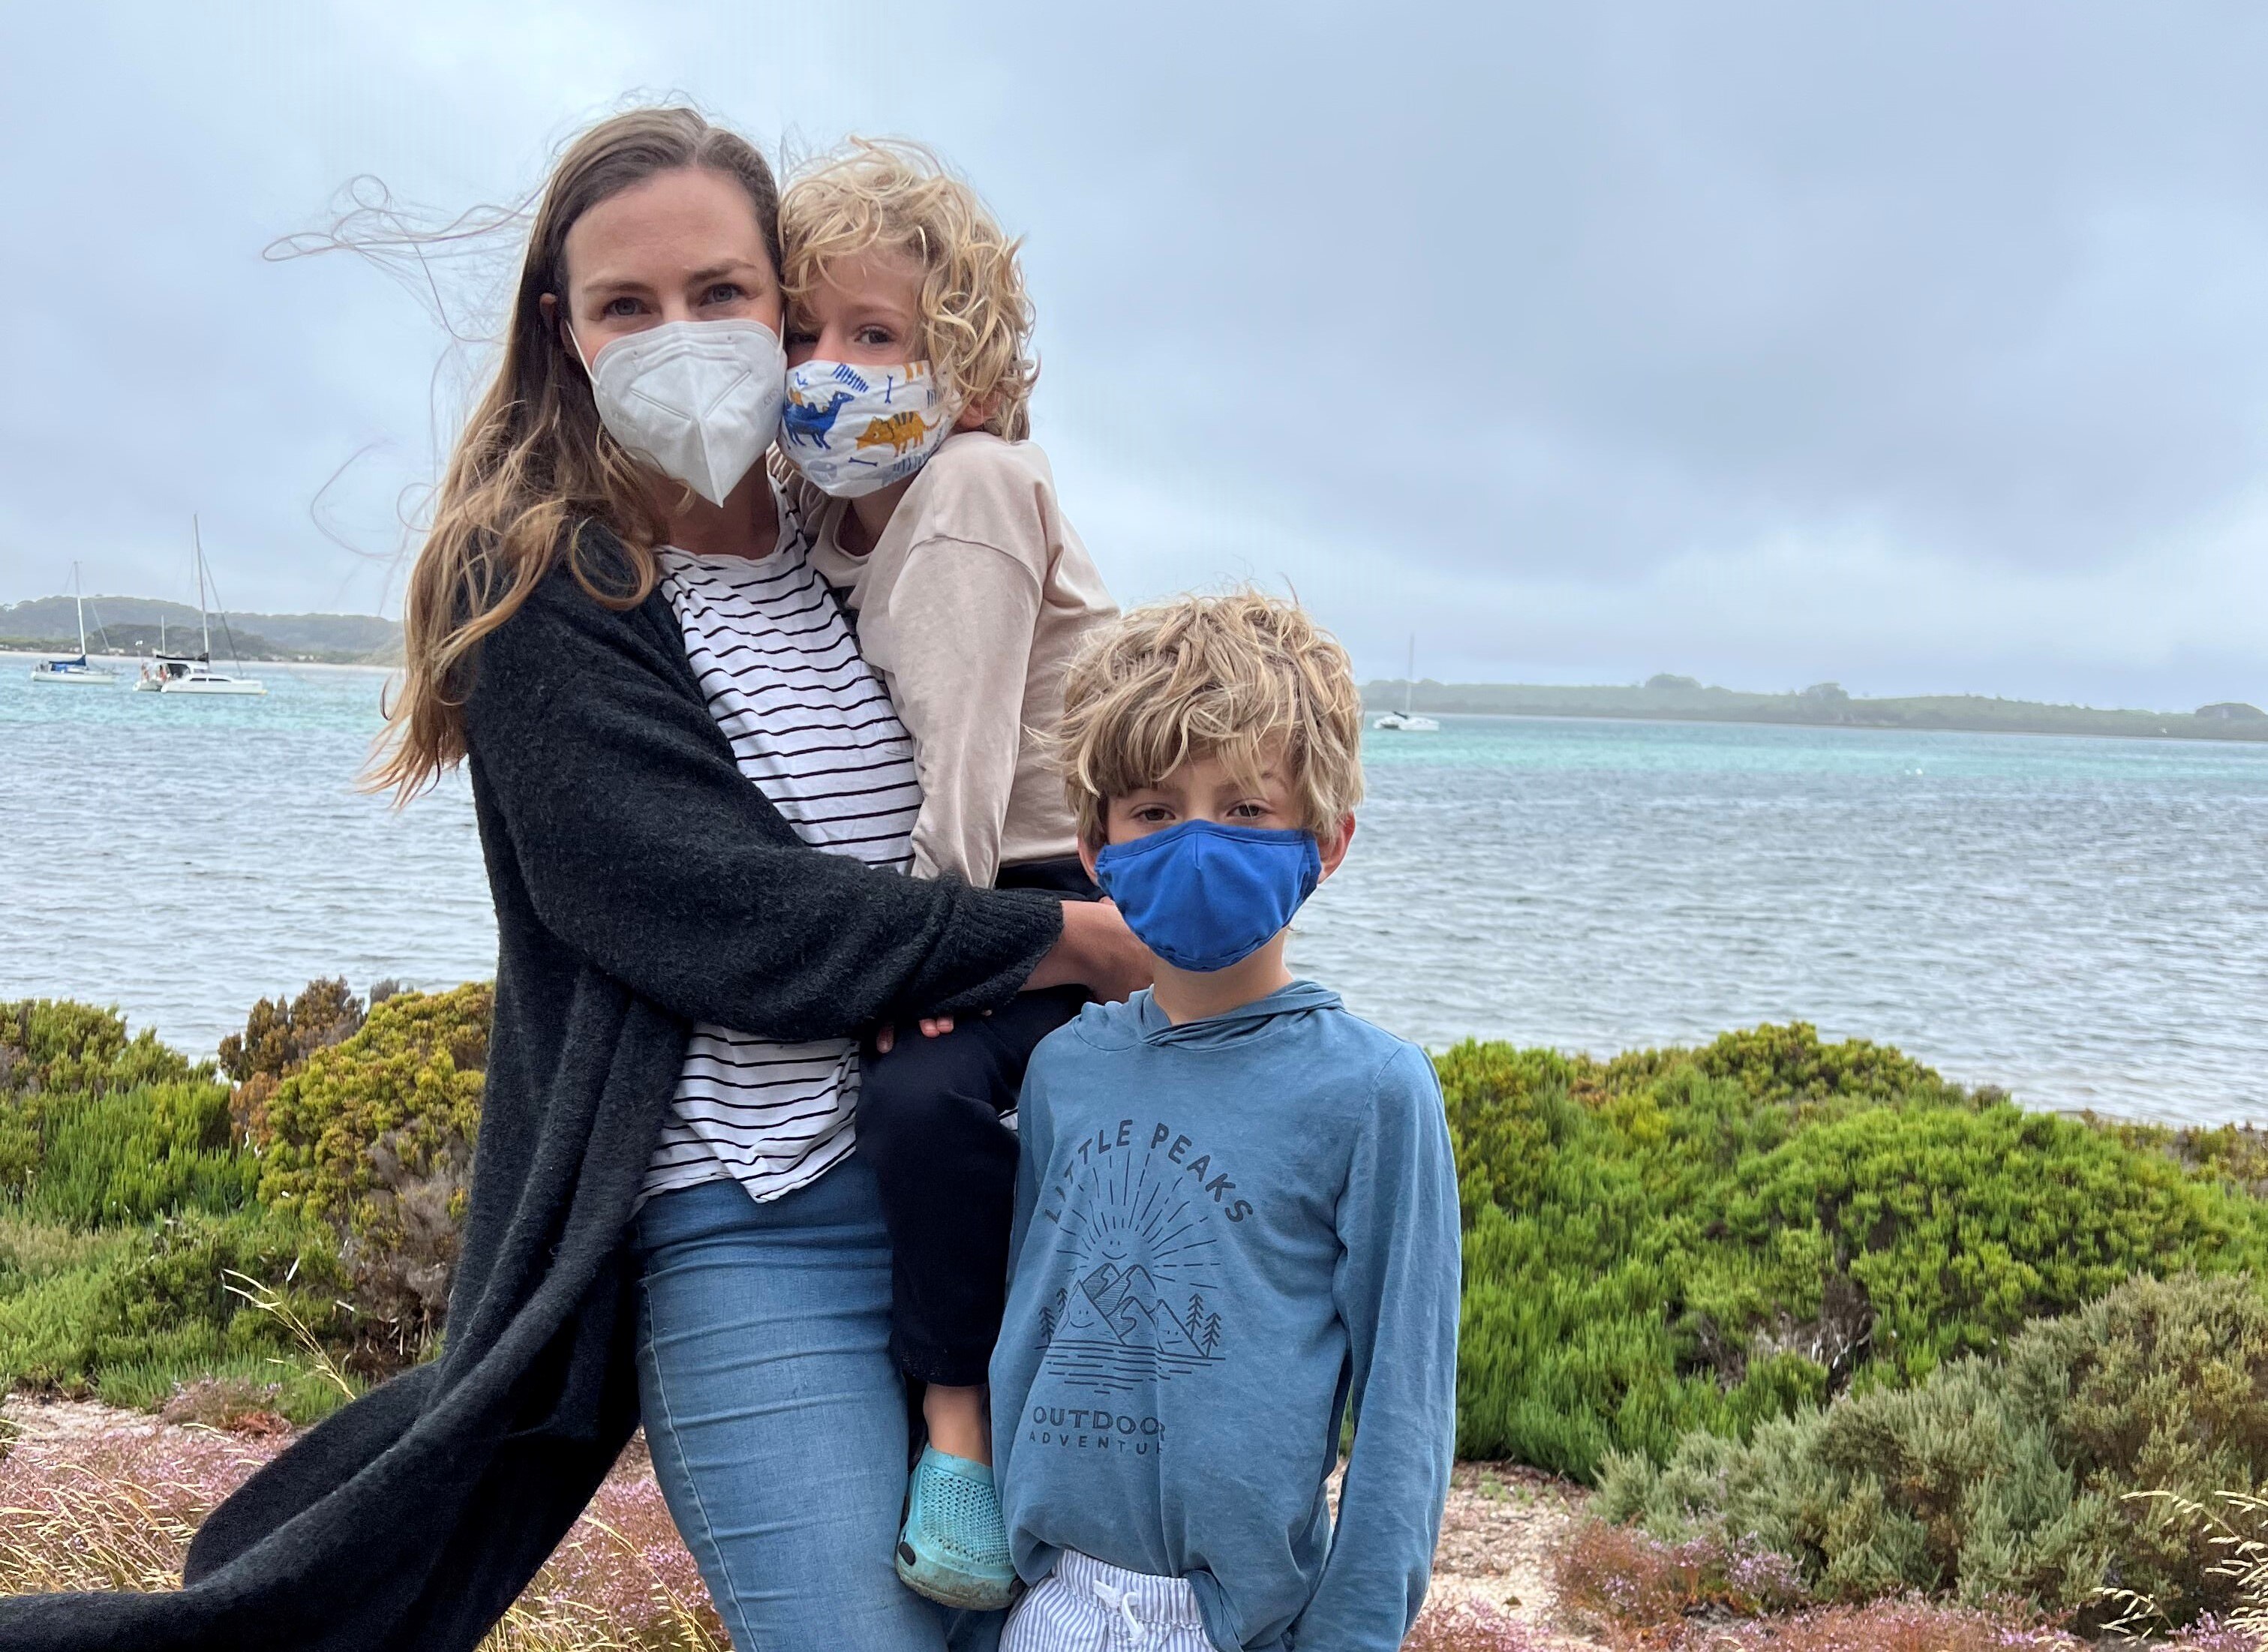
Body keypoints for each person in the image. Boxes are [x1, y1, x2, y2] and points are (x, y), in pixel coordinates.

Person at [0, 107, 1145, 1652]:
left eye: (725, 296)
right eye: (628, 305)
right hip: (756, 1226)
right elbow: (708, 913)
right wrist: (1065, 943)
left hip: (975, 1181)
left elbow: (1051, 733)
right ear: (566, 329)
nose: (684, 337)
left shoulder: (857, 533)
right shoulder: (546, 576)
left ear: (785, 305)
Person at [773, 137, 1117, 1611]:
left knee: (924, 1092)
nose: (827, 369)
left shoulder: (968, 485)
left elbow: (964, 772)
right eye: (802, 332)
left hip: (1034, 870)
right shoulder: (831, 510)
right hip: (969, 884)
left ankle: (957, 1441)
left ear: (963, 373)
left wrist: (924, 964)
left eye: (876, 337)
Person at [989, 593, 1461, 1652]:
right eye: (1154, 810)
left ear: (1327, 841)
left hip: (1232, 1624)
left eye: (1247, 808)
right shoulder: (1065, 1070)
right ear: (1096, 846)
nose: (1198, 840)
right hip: (1047, 1606)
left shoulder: (1378, 1091)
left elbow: (1404, 1417)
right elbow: (1029, 1319)